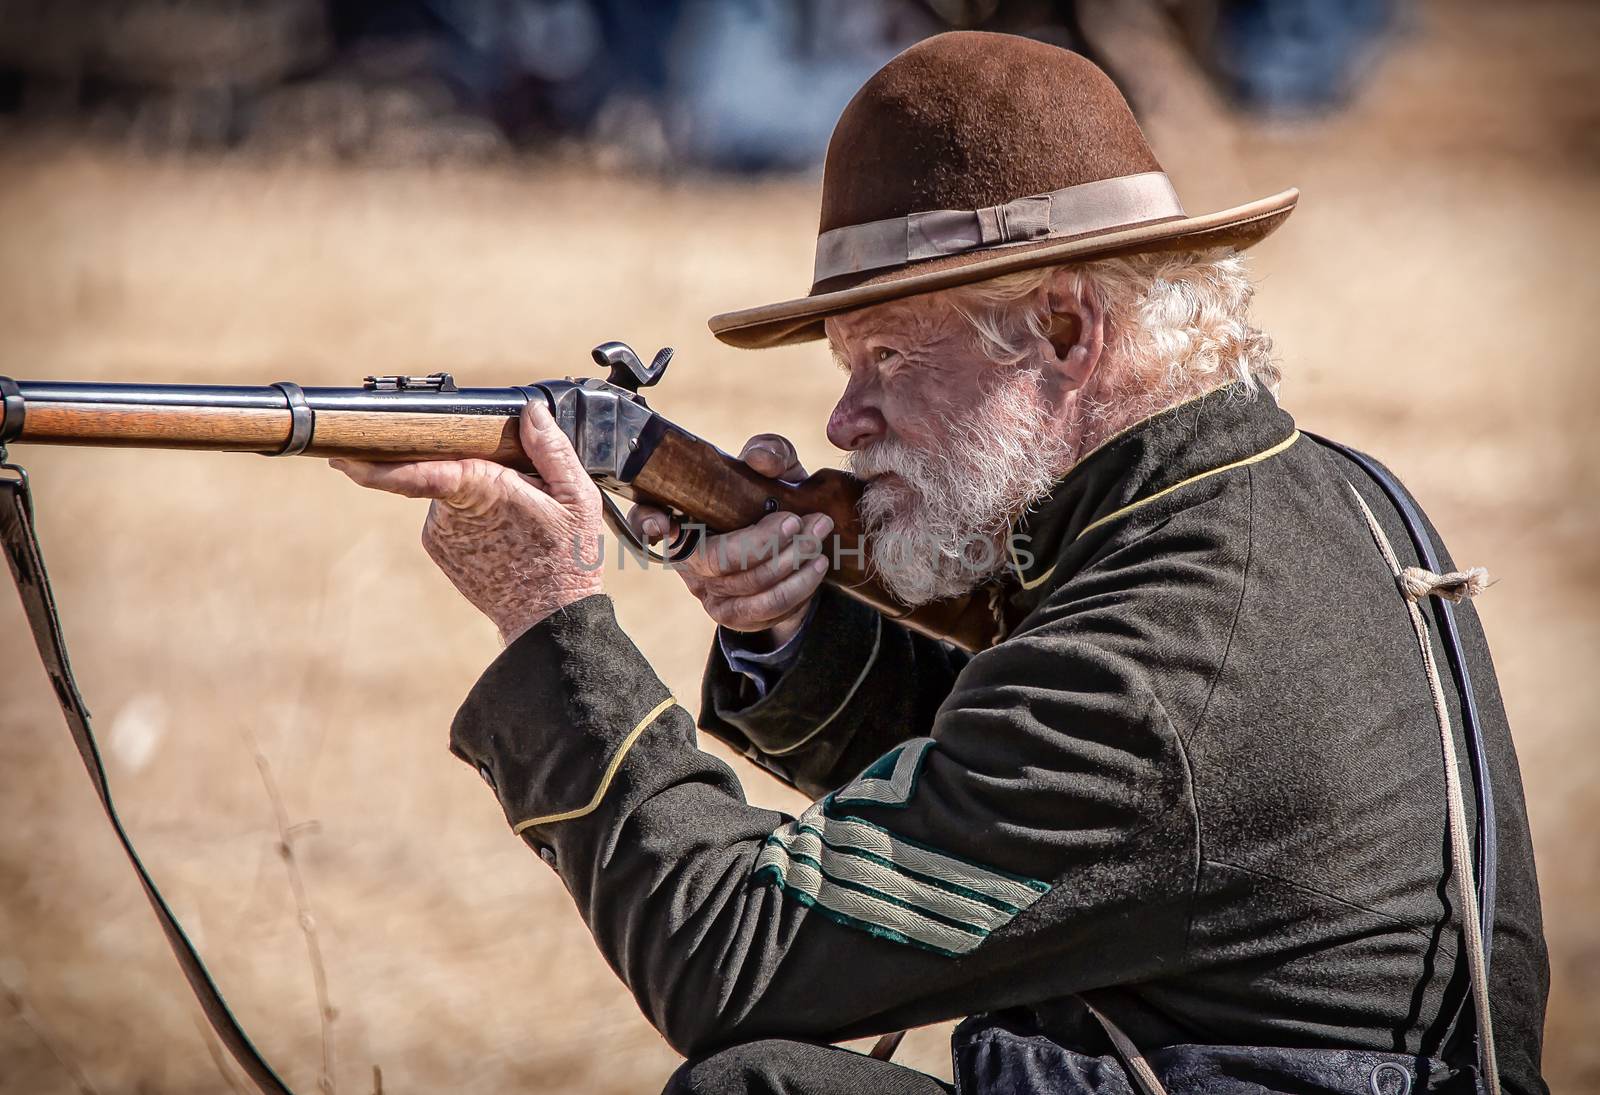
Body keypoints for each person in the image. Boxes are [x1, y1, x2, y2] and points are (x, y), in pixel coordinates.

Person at [333, 32, 1549, 1095]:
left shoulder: (1166, 646)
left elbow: (729, 963)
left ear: (1068, 327)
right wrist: (791, 630)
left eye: (892, 358)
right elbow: (1030, 800)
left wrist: (554, 623)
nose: (846, 422)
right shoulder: (1288, 489)